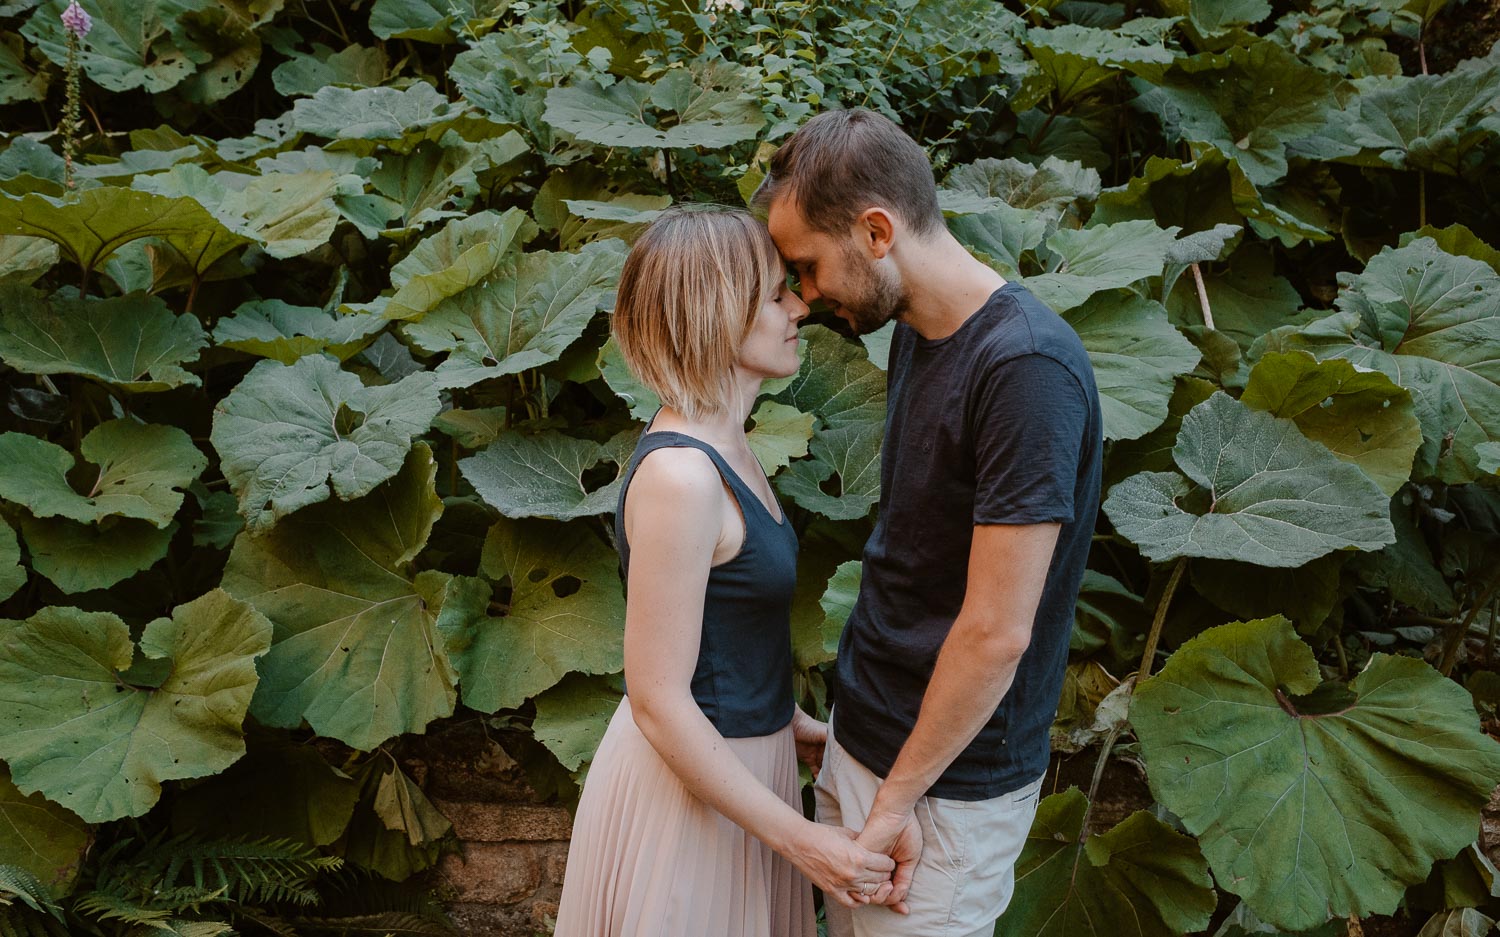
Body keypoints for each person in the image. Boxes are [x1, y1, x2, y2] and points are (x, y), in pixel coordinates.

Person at [755, 108, 1104, 936]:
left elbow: (995, 631)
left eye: (806, 267)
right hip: (867, 741)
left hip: (945, 789)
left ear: (876, 230)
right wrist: (845, 735)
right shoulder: (915, 326)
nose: (801, 299)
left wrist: (895, 800)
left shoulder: (1025, 367)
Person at [553, 205, 899, 937]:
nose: (799, 305)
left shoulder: (728, 444)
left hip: (747, 772)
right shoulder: (684, 475)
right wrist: (805, 841)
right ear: (717, 314)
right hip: (691, 797)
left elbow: (726, 627)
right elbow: (658, 700)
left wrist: (785, 719)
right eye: (776, 293)